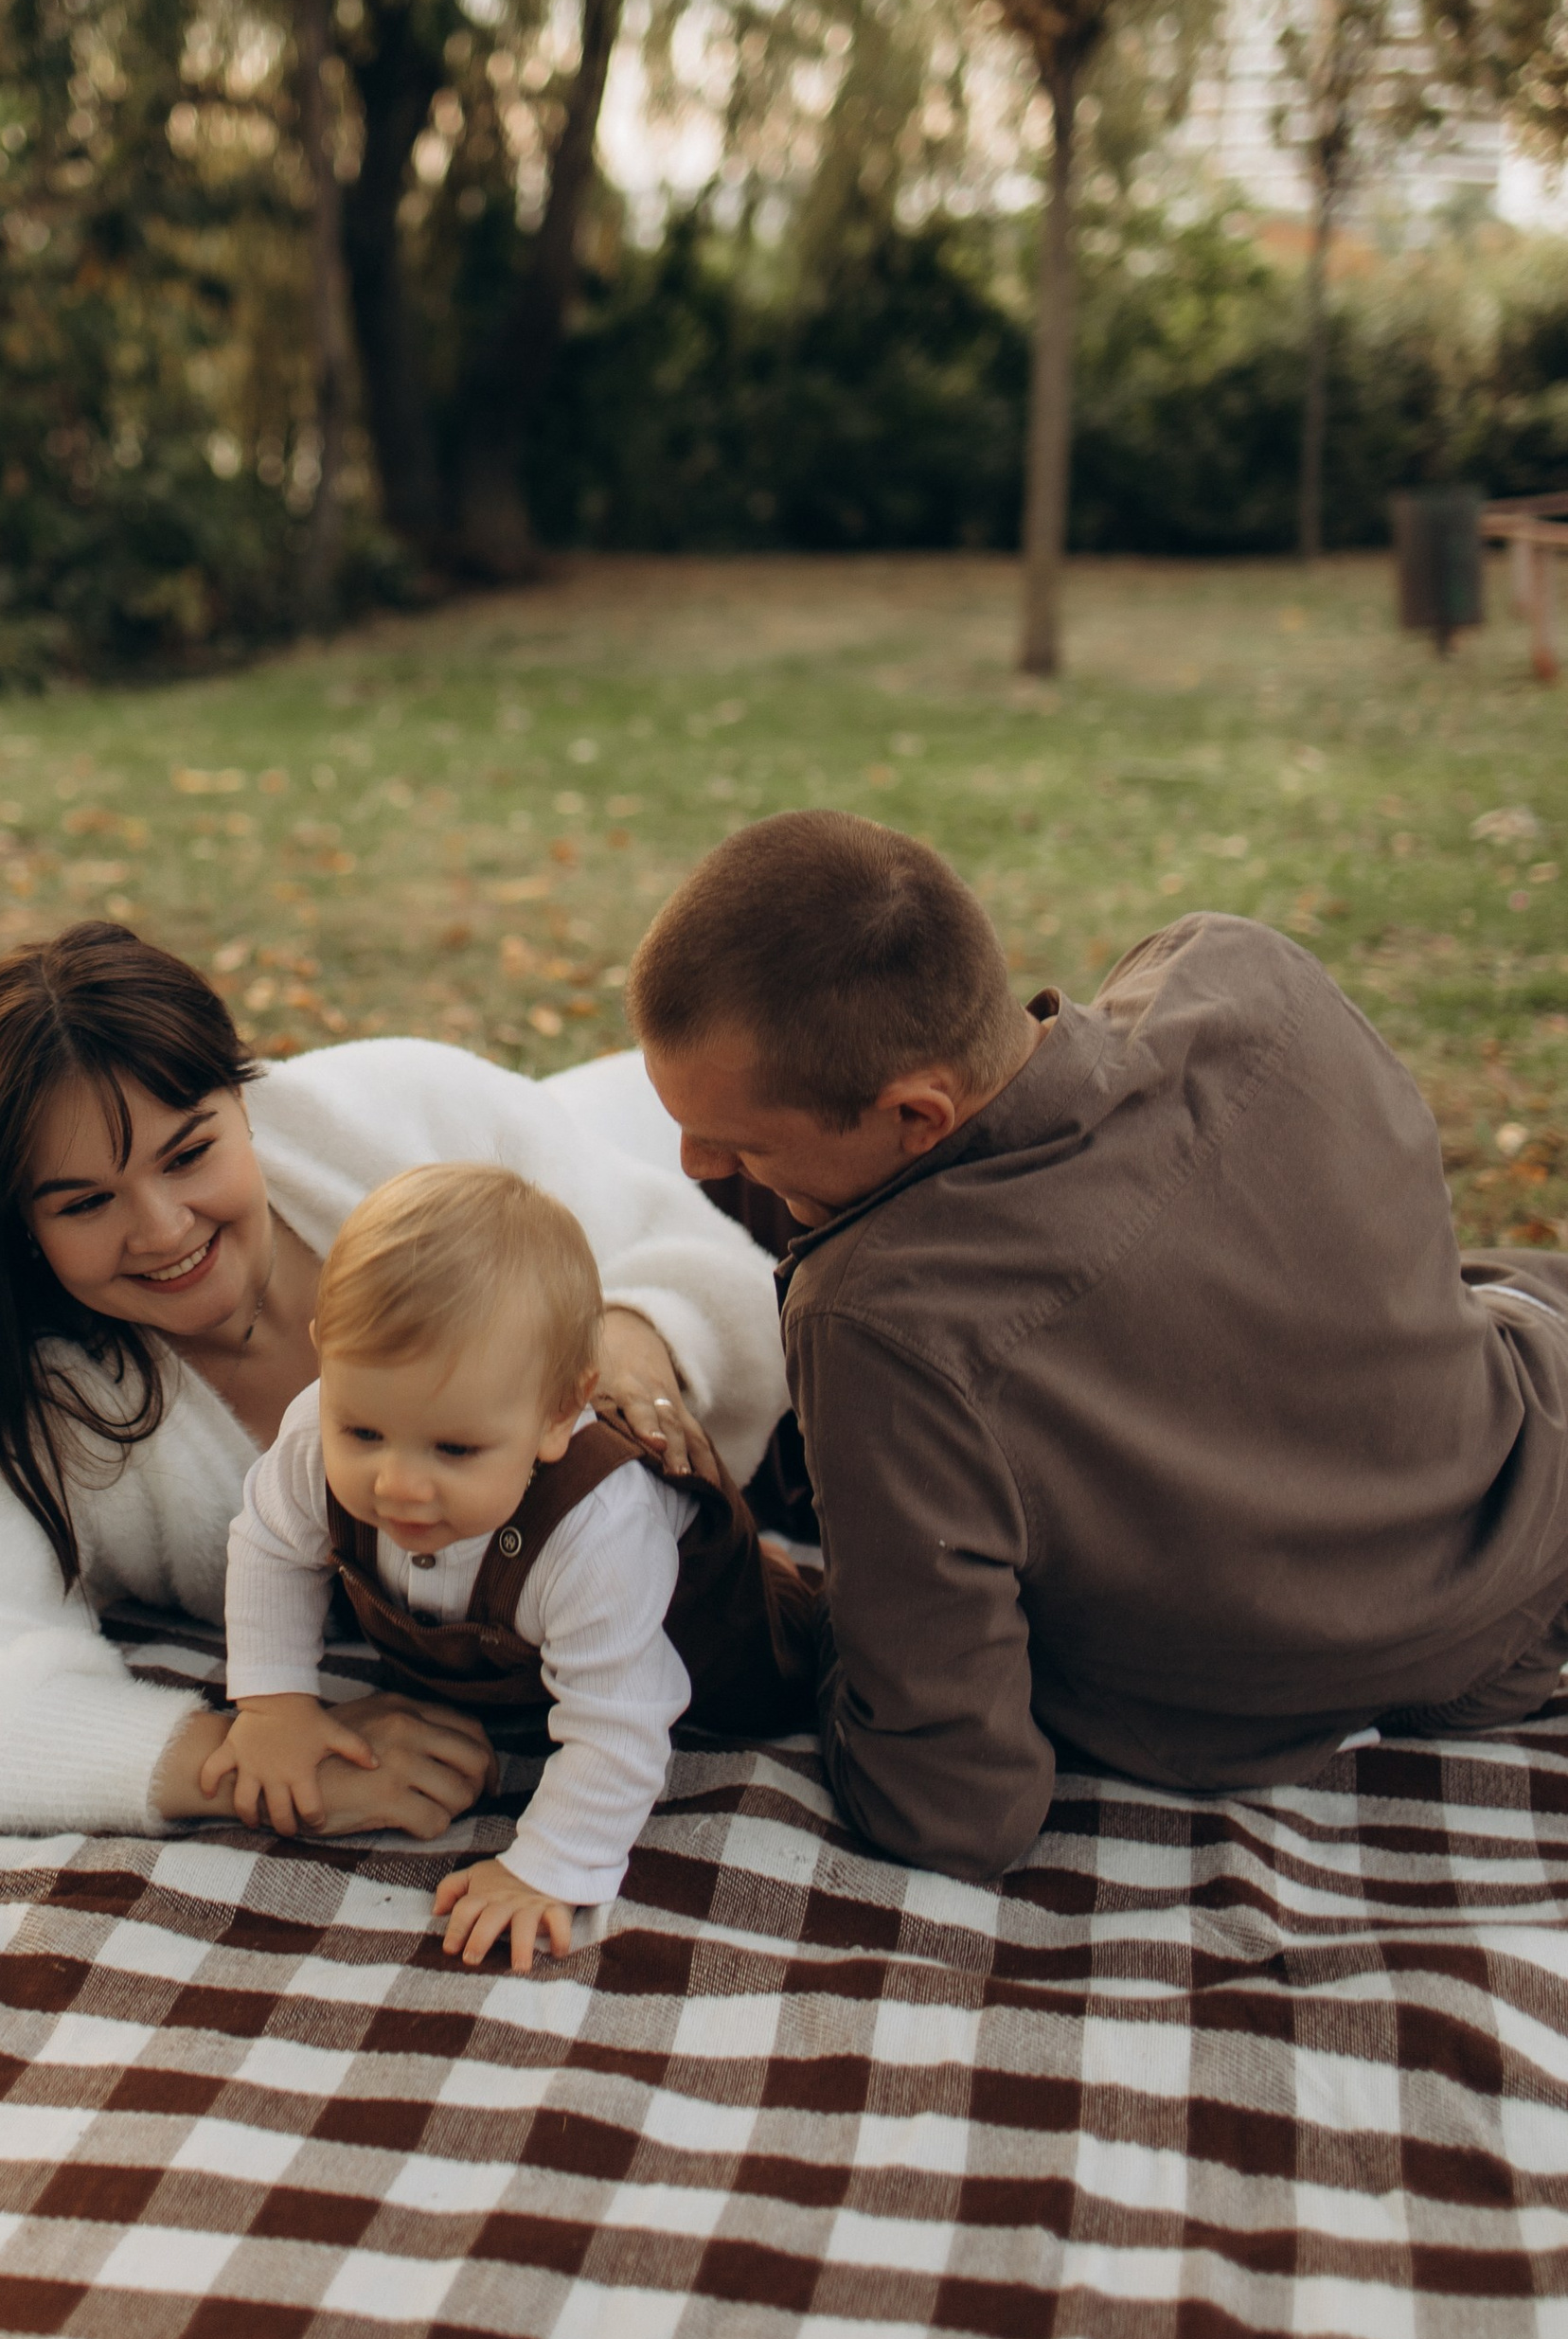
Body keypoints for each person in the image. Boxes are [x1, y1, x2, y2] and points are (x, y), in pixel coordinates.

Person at [630, 808, 1568, 1885]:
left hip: (1238, 1718)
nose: (697, 1165)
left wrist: (824, 1617)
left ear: (918, 1116)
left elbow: (951, 1802)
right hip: (1522, 1566)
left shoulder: (878, 1322)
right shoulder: (1247, 974)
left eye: (741, 1145)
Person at [0, 920, 790, 1841]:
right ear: (20, 1229)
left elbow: (729, 1273)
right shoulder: (54, 1413)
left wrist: (631, 1337)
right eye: (85, 1203)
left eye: (190, 1154)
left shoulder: (405, 1113)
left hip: (693, 1146)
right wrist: (235, 1763)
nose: (163, 1229)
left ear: (245, 1100)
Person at [217, 1163, 815, 1970]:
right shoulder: (310, 1441)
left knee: (802, 1660)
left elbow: (620, 1718)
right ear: (327, 1362)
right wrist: (274, 1704)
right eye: (363, 1434)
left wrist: (549, 1865)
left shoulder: (596, 1530)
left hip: (713, 1637)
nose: (398, 1485)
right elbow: (269, 1548)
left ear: (559, 1414)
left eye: (455, 1449)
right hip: (526, 1654)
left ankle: (780, 1578)